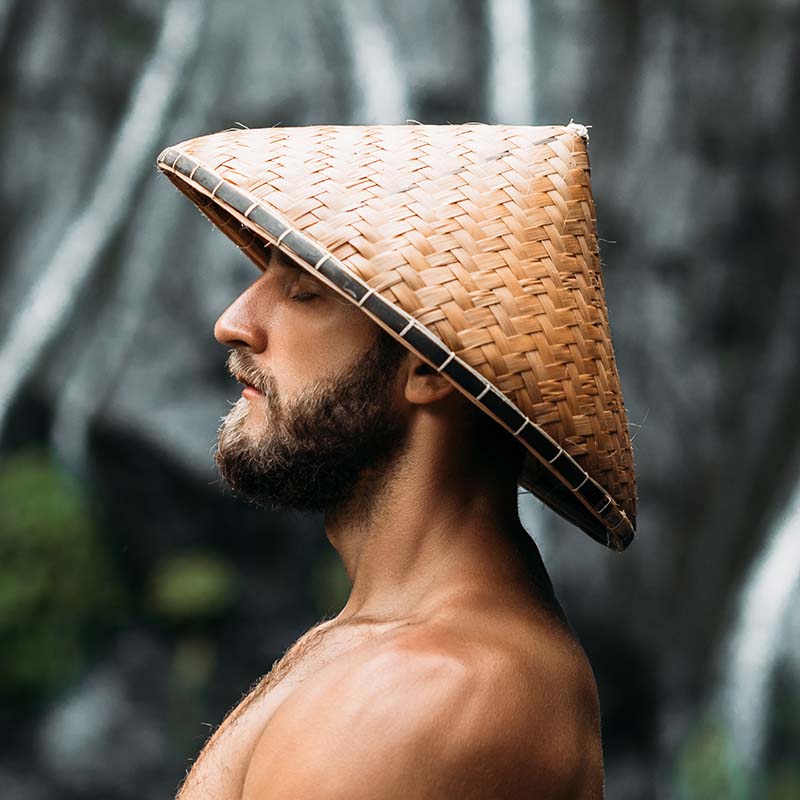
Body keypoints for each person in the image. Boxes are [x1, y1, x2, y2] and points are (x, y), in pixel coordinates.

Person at [159, 122, 637, 799]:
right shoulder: (386, 647)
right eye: (264, 275)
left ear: (427, 367)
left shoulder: (430, 692)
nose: (234, 322)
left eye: (304, 291)